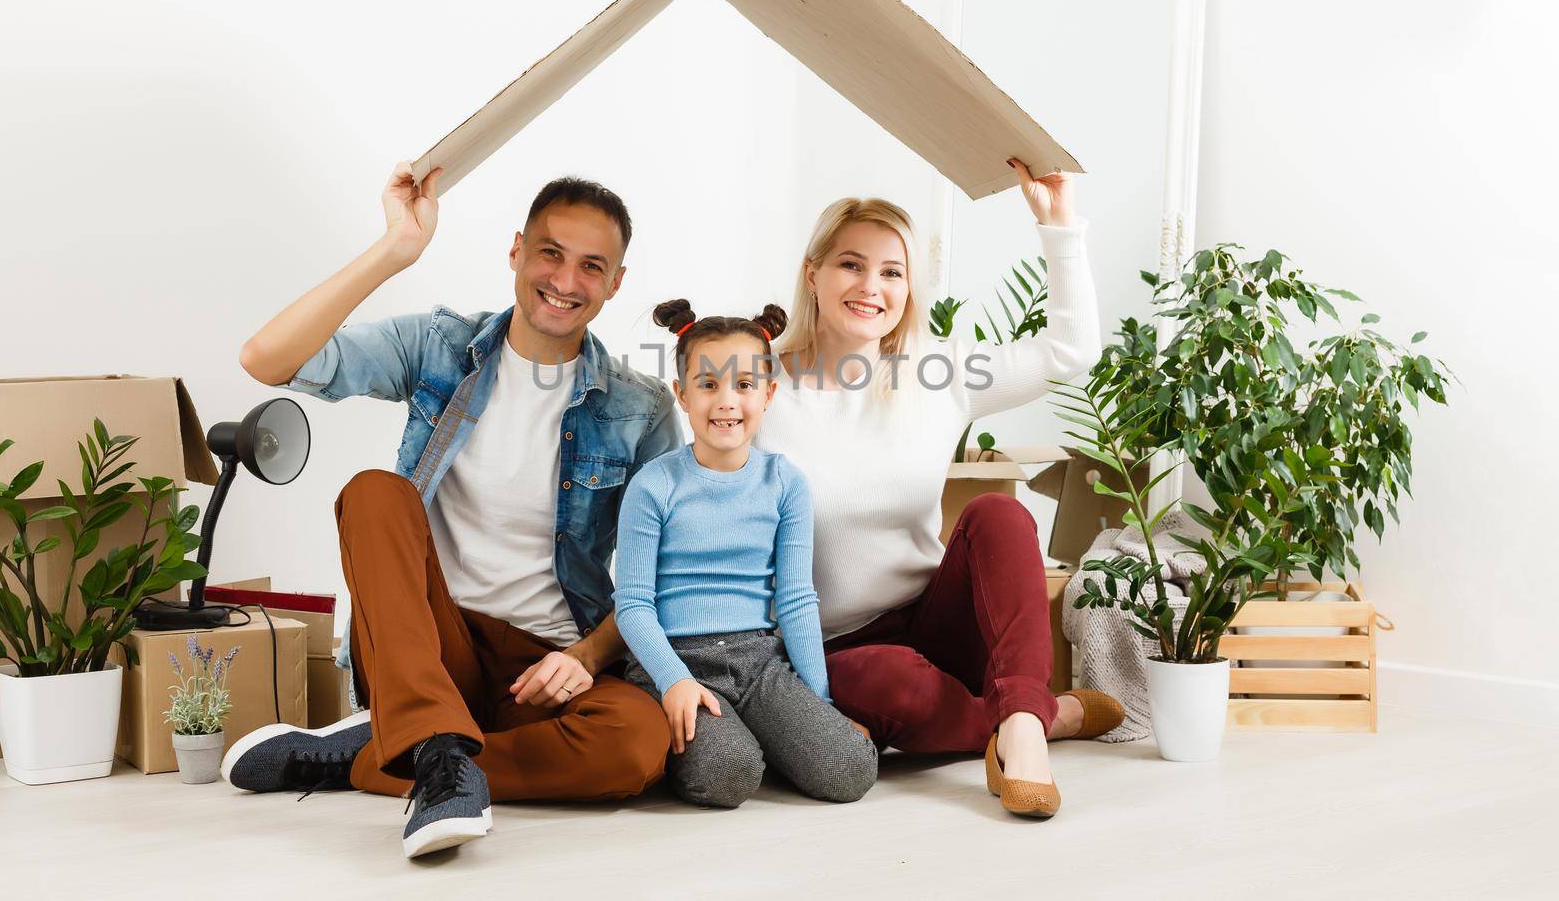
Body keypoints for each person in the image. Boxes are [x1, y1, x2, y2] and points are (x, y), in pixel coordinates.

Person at [223, 162, 680, 858]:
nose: (565, 279)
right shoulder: (439, 346)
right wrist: (393, 250)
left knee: (639, 744)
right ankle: (430, 742)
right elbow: (267, 357)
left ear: (616, 282)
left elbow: (661, 571)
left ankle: (387, 754)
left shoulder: (640, 408)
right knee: (377, 492)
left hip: (547, 664)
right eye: (551, 252)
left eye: (592, 265)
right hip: (429, 650)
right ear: (517, 249)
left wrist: (588, 655)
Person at [755, 158, 1125, 819]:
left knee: (998, 516)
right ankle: (1039, 716)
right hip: (835, 644)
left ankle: (1020, 731)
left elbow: (1071, 351)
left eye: (891, 272)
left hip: (941, 620)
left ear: (908, 287)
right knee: (891, 682)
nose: (872, 286)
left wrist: (1058, 223)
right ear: (813, 274)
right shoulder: (758, 386)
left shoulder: (938, 370)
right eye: (850, 264)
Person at [612, 300, 878, 809]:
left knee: (851, 769)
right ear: (682, 395)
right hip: (676, 659)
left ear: (768, 394)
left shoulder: (785, 484)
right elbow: (633, 605)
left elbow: (797, 599)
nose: (726, 401)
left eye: (744, 385)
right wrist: (673, 681)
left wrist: (818, 705)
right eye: (708, 385)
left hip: (758, 661)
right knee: (729, 775)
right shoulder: (654, 485)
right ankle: (723, 745)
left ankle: (767, 741)